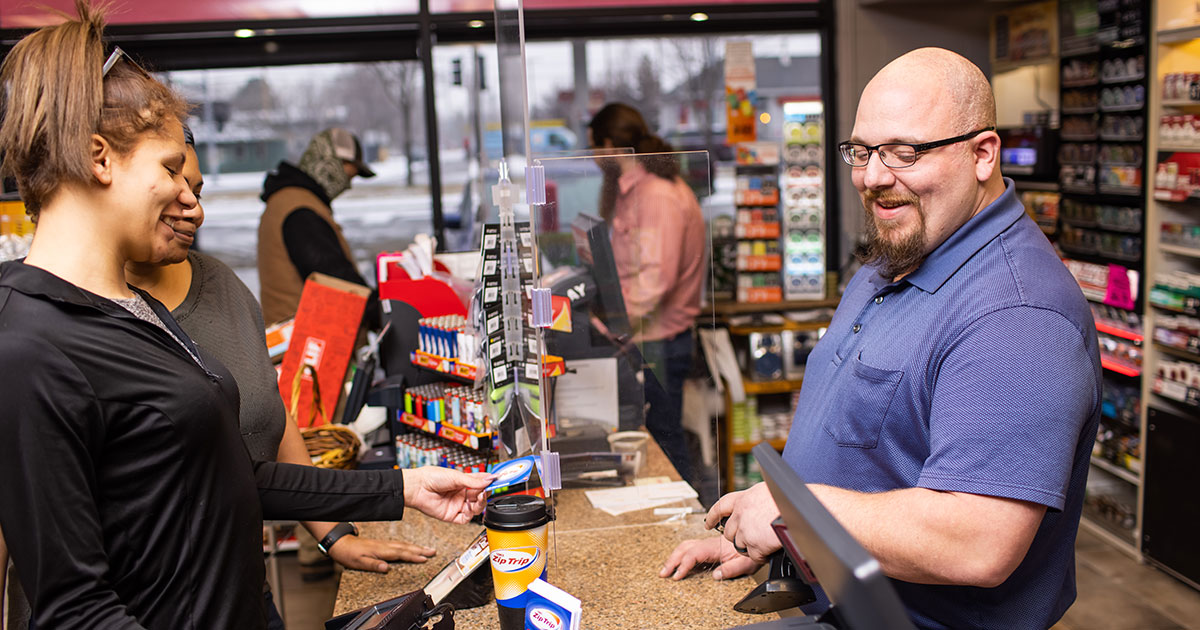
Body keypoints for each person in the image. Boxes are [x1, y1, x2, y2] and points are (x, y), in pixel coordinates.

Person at [0, 4, 492, 629]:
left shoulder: (137, 309)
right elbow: (75, 611)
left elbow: (227, 478)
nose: (190, 196)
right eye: (171, 168)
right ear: (100, 159)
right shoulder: (28, 346)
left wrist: (403, 488)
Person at [661, 48, 1101, 630]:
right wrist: (780, 543)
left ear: (983, 154)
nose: (872, 177)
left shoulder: (1016, 316)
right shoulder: (901, 255)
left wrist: (793, 514)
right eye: (862, 152)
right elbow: (864, 456)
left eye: (905, 152)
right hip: (832, 598)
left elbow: (978, 542)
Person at [123, 128, 436, 628]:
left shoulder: (221, 286)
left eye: (198, 190)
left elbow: (267, 421)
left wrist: (335, 532)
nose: (192, 207)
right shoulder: (70, 324)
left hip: (243, 597)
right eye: (171, 180)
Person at [587, 103, 706, 483]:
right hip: (643, 337)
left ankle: (688, 526)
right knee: (656, 442)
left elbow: (654, 280)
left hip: (657, 341)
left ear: (608, 146)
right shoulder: (629, 191)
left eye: (593, 147)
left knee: (665, 447)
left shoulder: (656, 195)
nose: (591, 158)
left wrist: (609, 326)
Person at [257, 127, 380, 328]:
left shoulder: (293, 200)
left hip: (299, 341)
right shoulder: (300, 210)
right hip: (305, 347)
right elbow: (336, 279)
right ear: (329, 162)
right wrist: (382, 312)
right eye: (348, 175)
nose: (347, 186)